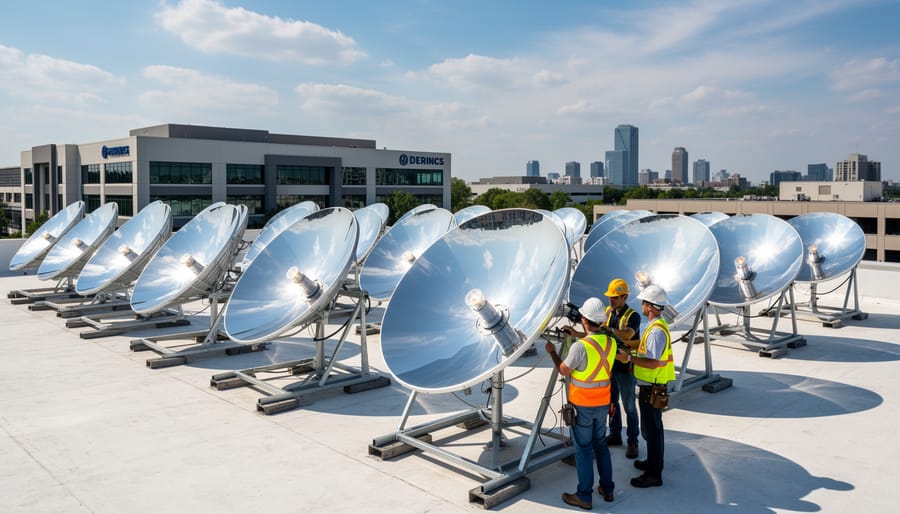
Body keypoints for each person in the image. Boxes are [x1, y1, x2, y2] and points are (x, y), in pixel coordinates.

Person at [545, 297, 629, 509]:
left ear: (584, 320)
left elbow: (564, 370)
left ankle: (583, 495)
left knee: (583, 449)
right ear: (601, 321)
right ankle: (607, 489)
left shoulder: (580, 347)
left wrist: (552, 353)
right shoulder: (610, 342)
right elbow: (619, 357)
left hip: (582, 405)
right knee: (600, 445)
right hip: (603, 404)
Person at [629, 285, 675, 488]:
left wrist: (629, 358)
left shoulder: (656, 332)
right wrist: (632, 347)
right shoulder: (656, 325)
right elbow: (646, 349)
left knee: (653, 430)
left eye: (643, 303)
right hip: (651, 386)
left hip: (652, 388)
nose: (641, 305)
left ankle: (654, 474)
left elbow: (654, 362)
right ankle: (653, 463)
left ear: (650, 306)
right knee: (653, 428)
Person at [602, 278, 641, 459]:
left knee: (629, 407)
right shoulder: (609, 312)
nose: (612, 300)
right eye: (611, 297)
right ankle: (615, 434)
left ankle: (633, 442)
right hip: (611, 366)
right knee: (612, 404)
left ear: (625, 297)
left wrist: (608, 329)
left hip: (625, 368)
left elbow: (628, 334)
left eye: (615, 297)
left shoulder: (633, 316)